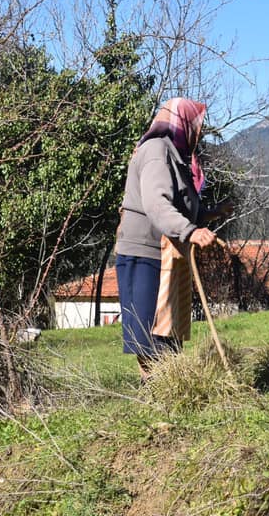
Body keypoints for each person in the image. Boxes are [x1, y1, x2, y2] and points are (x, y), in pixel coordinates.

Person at [115, 97, 228, 382]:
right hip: (144, 252)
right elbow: (157, 204)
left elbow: (182, 207)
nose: (199, 132)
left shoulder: (177, 157)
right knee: (150, 328)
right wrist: (190, 231)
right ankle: (155, 391)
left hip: (165, 252)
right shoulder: (157, 152)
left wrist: (211, 215)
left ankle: (168, 388)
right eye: (195, 125)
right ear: (182, 123)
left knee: (168, 328)